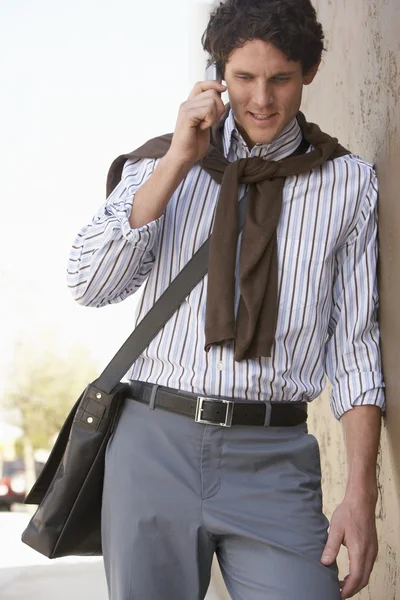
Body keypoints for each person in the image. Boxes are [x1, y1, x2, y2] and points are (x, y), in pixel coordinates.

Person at [67, 1, 385, 598]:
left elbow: (356, 350)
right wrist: (178, 162)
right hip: (153, 445)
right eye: (244, 78)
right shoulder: (167, 162)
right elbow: (89, 283)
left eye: (280, 78)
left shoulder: (349, 183)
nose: (262, 99)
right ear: (218, 74)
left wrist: (360, 496)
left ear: (310, 70)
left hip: (275, 459)